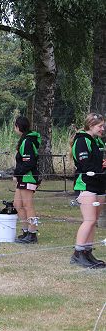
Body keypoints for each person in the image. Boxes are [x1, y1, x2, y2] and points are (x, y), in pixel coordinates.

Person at [70, 113, 106, 268]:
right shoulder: (81, 140)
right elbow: (86, 165)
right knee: (89, 220)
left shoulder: (97, 141)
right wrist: (102, 169)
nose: (103, 129)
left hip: (99, 185)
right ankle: (77, 254)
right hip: (86, 185)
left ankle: (87, 252)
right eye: (100, 126)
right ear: (91, 125)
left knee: (93, 222)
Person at [12, 116, 41, 244]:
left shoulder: (28, 142)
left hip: (28, 176)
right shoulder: (24, 140)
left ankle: (32, 233)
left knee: (28, 205)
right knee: (17, 205)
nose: (14, 129)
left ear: (18, 126)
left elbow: (29, 163)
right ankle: (25, 231)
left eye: (15, 126)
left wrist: (17, 173)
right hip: (22, 177)